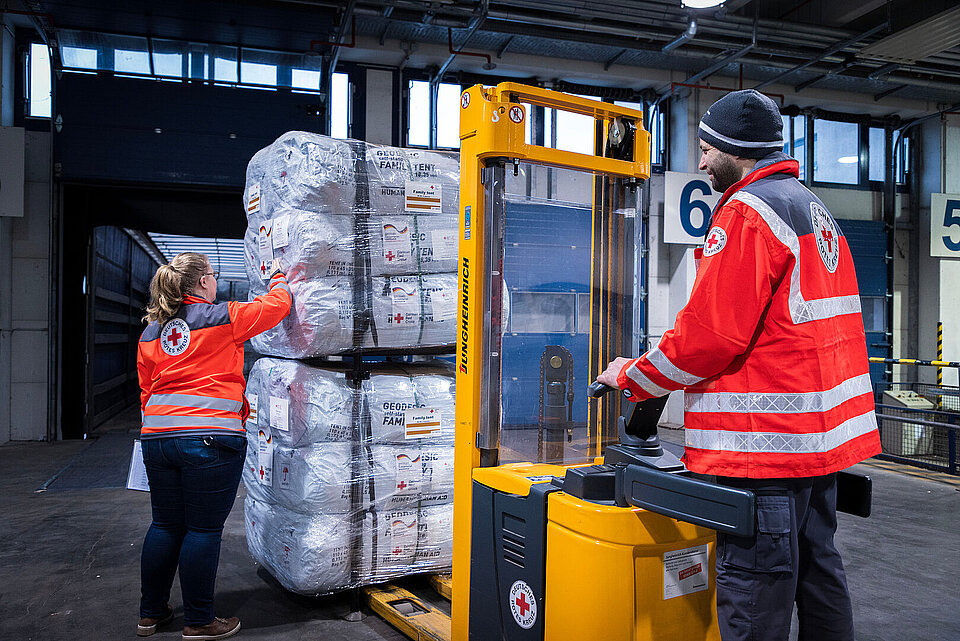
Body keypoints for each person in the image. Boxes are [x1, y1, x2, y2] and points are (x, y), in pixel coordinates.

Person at [597, 89, 880, 641]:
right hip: (817, 449)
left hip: (763, 453)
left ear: (735, 149)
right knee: (820, 576)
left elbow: (709, 337)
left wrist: (632, 375)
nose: (701, 163)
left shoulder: (747, 214)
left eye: (706, 149)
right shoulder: (811, 208)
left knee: (754, 593)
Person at [135, 252, 291, 640]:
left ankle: (151, 613)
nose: (215, 281)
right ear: (203, 282)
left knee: (165, 525)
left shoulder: (151, 332)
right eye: (213, 275)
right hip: (209, 439)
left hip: (157, 438)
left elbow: (145, 388)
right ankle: (200, 620)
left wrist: (166, 425)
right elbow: (277, 308)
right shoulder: (223, 317)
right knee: (203, 530)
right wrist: (279, 277)